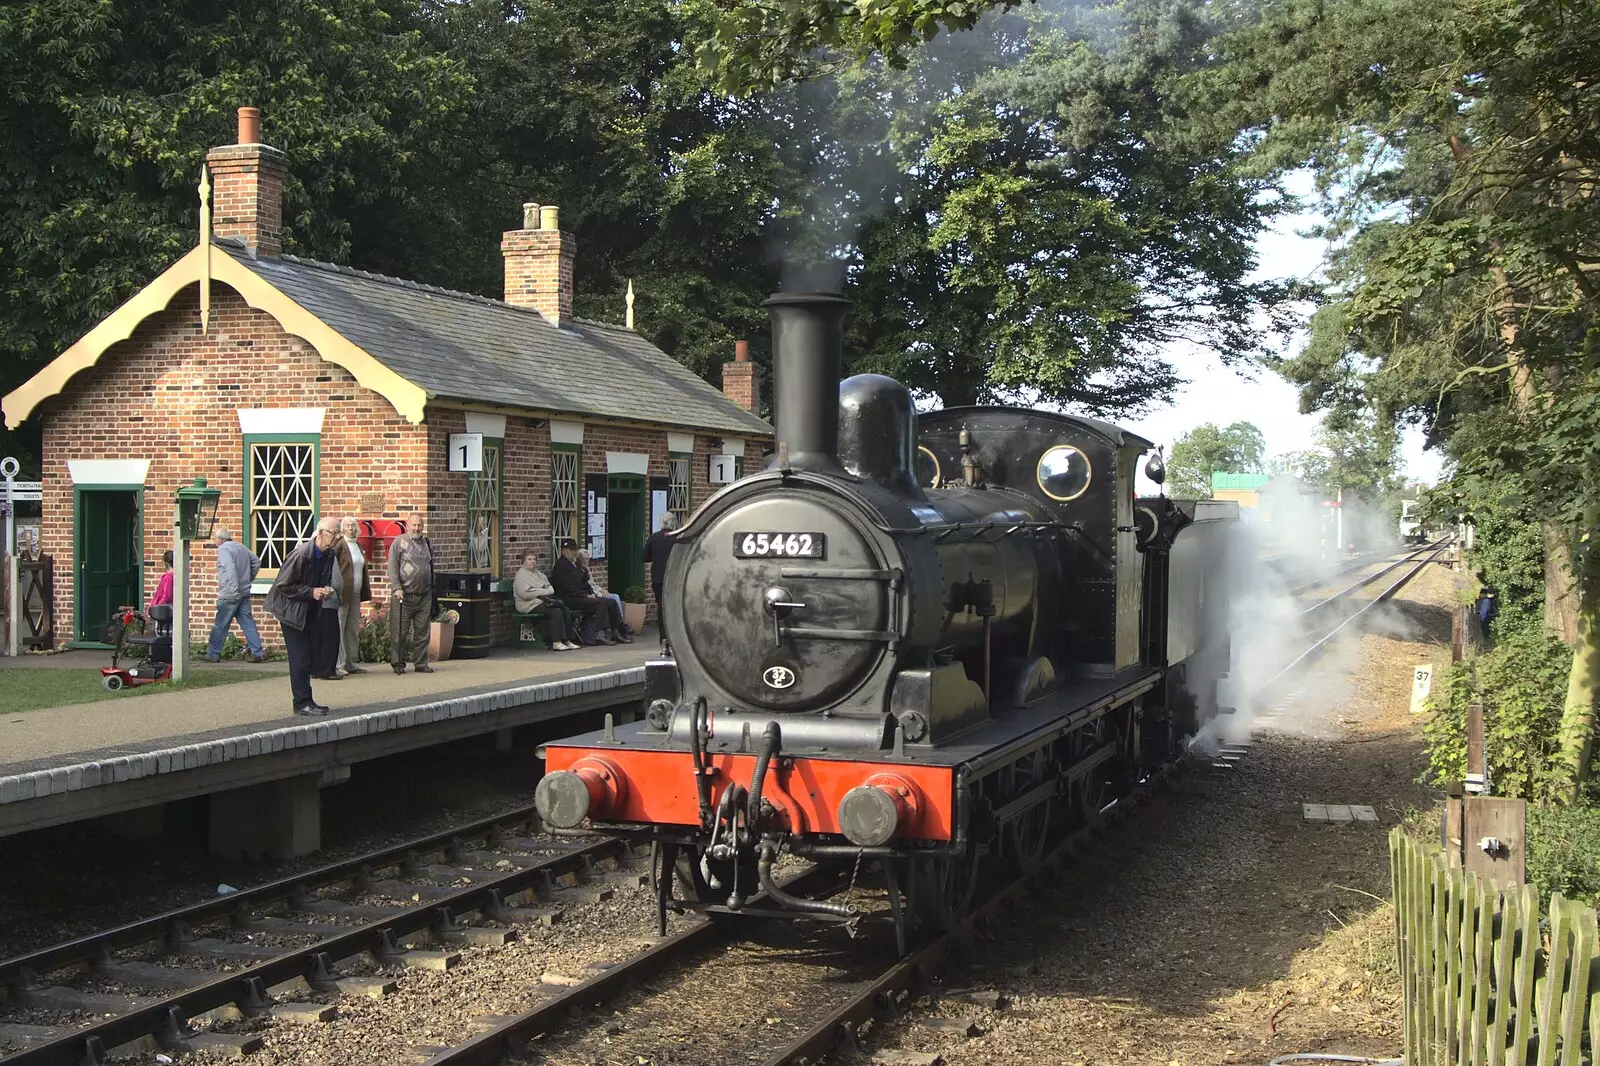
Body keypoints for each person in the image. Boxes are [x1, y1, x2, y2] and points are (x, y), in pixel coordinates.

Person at [264, 520, 340, 716]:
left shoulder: (329, 554)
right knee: (301, 658)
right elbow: (283, 585)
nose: (338, 537)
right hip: (290, 612)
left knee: (312, 655)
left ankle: (307, 700)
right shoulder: (300, 554)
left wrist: (326, 589)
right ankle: (301, 703)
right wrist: (311, 592)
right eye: (334, 533)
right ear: (321, 533)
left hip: (310, 610)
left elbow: (322, 579)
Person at [551, 538, 631, 644]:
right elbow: (568, 588)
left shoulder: (573, 565)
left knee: (611, 602)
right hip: (570, 598)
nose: (574, 552)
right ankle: (599, 635)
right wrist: (585, 595)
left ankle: (616, 632)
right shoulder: (561, 566)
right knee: (599, 604)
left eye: (575, 549)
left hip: (581, 596)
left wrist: (590, 593)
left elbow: (584, 583)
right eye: (571, 550)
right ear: (564, 550)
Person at [387, 512, 436, 674]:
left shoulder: (427, 543)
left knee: (423, 633)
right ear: (407, 526)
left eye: (419, 525)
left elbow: (431, 566)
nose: (417, 528)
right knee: (399, 632)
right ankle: (398, 664)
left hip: (424, 595)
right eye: (414, 525)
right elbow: (393, 567)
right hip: (404, 595)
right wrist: (396, 587)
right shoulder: (399, 542)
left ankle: (421, 663)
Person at [207, 529, 263, 662]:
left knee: (220, 624)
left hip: (231, 593)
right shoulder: (241, 547)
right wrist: (248, 579)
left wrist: (233, 588)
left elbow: (230, 568)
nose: (215, 541)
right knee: (247, 622)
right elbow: (256, 561)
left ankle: (213, 654)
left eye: (215, 539)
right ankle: (257, 653)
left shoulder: (223, 549)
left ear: (220, 539)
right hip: (244, 591)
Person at [312, 521, 357, 681]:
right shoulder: (330, 553)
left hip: (314, 600)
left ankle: (317, 669)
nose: (337, 537)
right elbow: (337, 580)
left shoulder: (315, 551)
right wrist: (337, 593)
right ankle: (328, 669)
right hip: (329, 600)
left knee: (318, 636)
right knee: (331, 637)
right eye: (335, 533)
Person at [513, 550, 580, 650]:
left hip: (542, 601)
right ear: (524, 561)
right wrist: (543, 591)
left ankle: (567, 640)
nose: (532, 562)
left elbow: (550, 588)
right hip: (528, 604)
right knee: (555, 611)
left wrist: (538, 591)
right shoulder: (521, 575)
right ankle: (556, 641)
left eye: (534, 559)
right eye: (529, 559)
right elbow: (525, 594)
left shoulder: (539, 574)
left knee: (564, 609)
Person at [336, 516, 371, 675]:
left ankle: (351, 662)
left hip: (356, 592)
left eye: (352, 525)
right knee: (340, 627)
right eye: (347, 525)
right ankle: (340, 664)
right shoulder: (339, 546)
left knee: (352, 628)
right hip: (343, 592)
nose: (350, 528)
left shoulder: (358, 545)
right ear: (342, 529)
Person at [575, 549, 628, 633]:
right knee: (613, 598)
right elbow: (588, 587)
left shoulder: (587, 570)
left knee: (615, 597)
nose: (585, 561)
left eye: (587, 559)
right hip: (591, 595)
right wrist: (599, 592)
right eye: (583, 559)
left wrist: (601, 589)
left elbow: (593, 584)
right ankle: (619, 625)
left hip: (595, 592)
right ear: (579, 560)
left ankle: (619, 624)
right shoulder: (579, 571)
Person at [643, 512, 679, 632]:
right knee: (673, 606)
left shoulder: (653, 537)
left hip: (658, 577)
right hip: (673, 577)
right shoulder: (677, 538)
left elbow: (644, 557)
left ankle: (663, 635)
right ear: (673, 523)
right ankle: (673, 633)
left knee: (661, 606)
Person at [148, 550, 174, 616]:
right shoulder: (175, 576)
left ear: (166, 563)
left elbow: (167, 596)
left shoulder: (168, 577)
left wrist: (156, 607)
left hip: (164, 612)